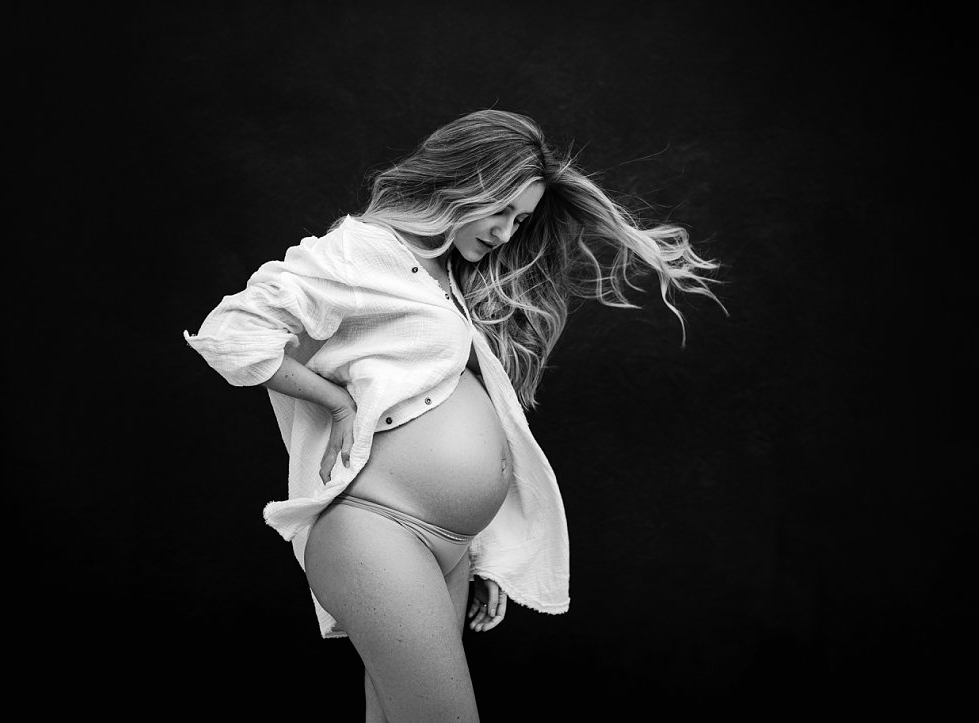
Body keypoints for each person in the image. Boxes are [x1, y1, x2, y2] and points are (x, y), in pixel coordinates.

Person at [184, 109, 721, 721]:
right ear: (463, 181)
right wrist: (335, 401)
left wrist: (486, 548)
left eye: (520, 221)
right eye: (500, 210)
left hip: (446, 545)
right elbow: (231, 334)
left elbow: (441, 400)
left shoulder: (445, 277)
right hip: (377, 530)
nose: (506, 233)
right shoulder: (360, 252)